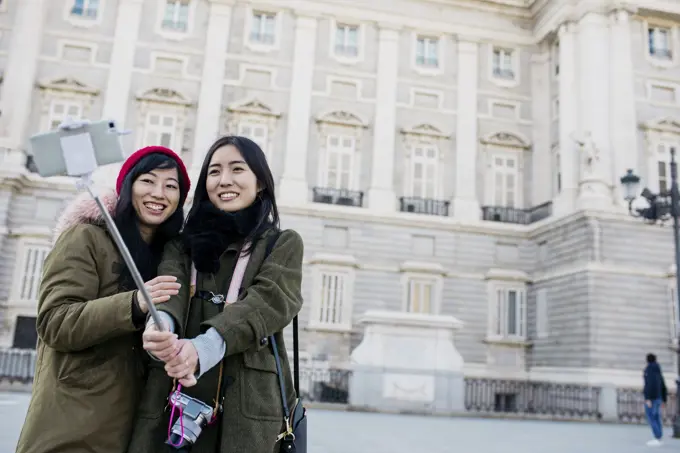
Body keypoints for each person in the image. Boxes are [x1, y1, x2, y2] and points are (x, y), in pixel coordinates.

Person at [127, 136, 304, 453]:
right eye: (214, 171)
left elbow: (269, 301)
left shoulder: (282, 244)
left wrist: (205, 347)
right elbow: (170, 287)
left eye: (238, 169)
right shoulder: (181, 244)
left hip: (247, 411)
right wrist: (160, 327)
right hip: (172, 401)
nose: (225, 181)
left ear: (260, 182)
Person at [15, 146, 191, 453]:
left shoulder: (169, 258)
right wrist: (134, 303)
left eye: (171, 186)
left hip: (134, 428)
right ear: (127, 186)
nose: (159, 193)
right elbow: (55, 323)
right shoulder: (85, 237)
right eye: (147, 181)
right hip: (74, 424)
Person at [643, 353, 667, 447]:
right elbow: (663, 384)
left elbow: (649, 384)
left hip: (652, 398)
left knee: (651, 417)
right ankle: (659, 436)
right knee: (657, 417)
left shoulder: (649, 370)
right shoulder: (658, 369)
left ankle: (657, 437)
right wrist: (664, 399)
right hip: (658, 397)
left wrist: (648, 398)